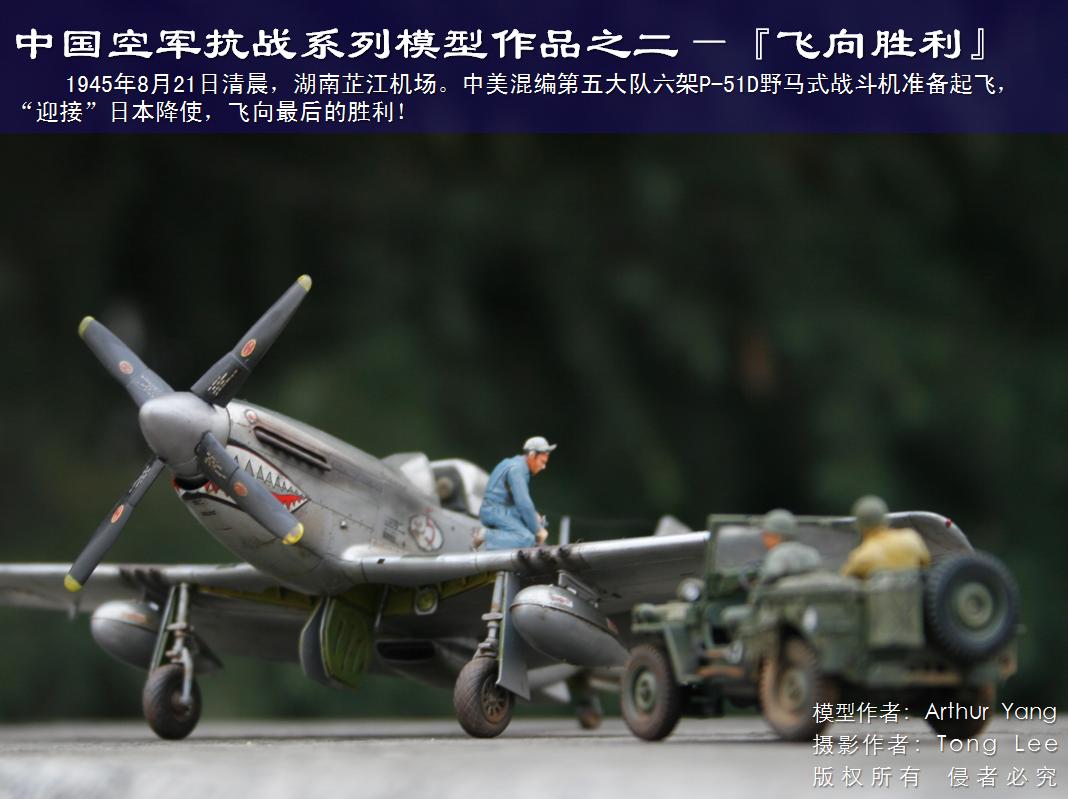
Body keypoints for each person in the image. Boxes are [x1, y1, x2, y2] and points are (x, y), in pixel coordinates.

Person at [474, 436, 555, 550]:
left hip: (500, 508)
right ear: (532, 455)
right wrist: (538, 530)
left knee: (529, 526)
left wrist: (533, 515)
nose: (543, 467)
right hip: (495, 510)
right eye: (542, 462)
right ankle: (486, 536)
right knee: (526, 539)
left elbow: (515, 499)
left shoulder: (515, 464)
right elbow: (523, 503)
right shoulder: (517, 470)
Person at [841, 495, 931, 578]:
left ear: (859, 526)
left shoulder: (861, 557)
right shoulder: (911, 538)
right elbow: (926, 565)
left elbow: (844, 580)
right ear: (885, 519)